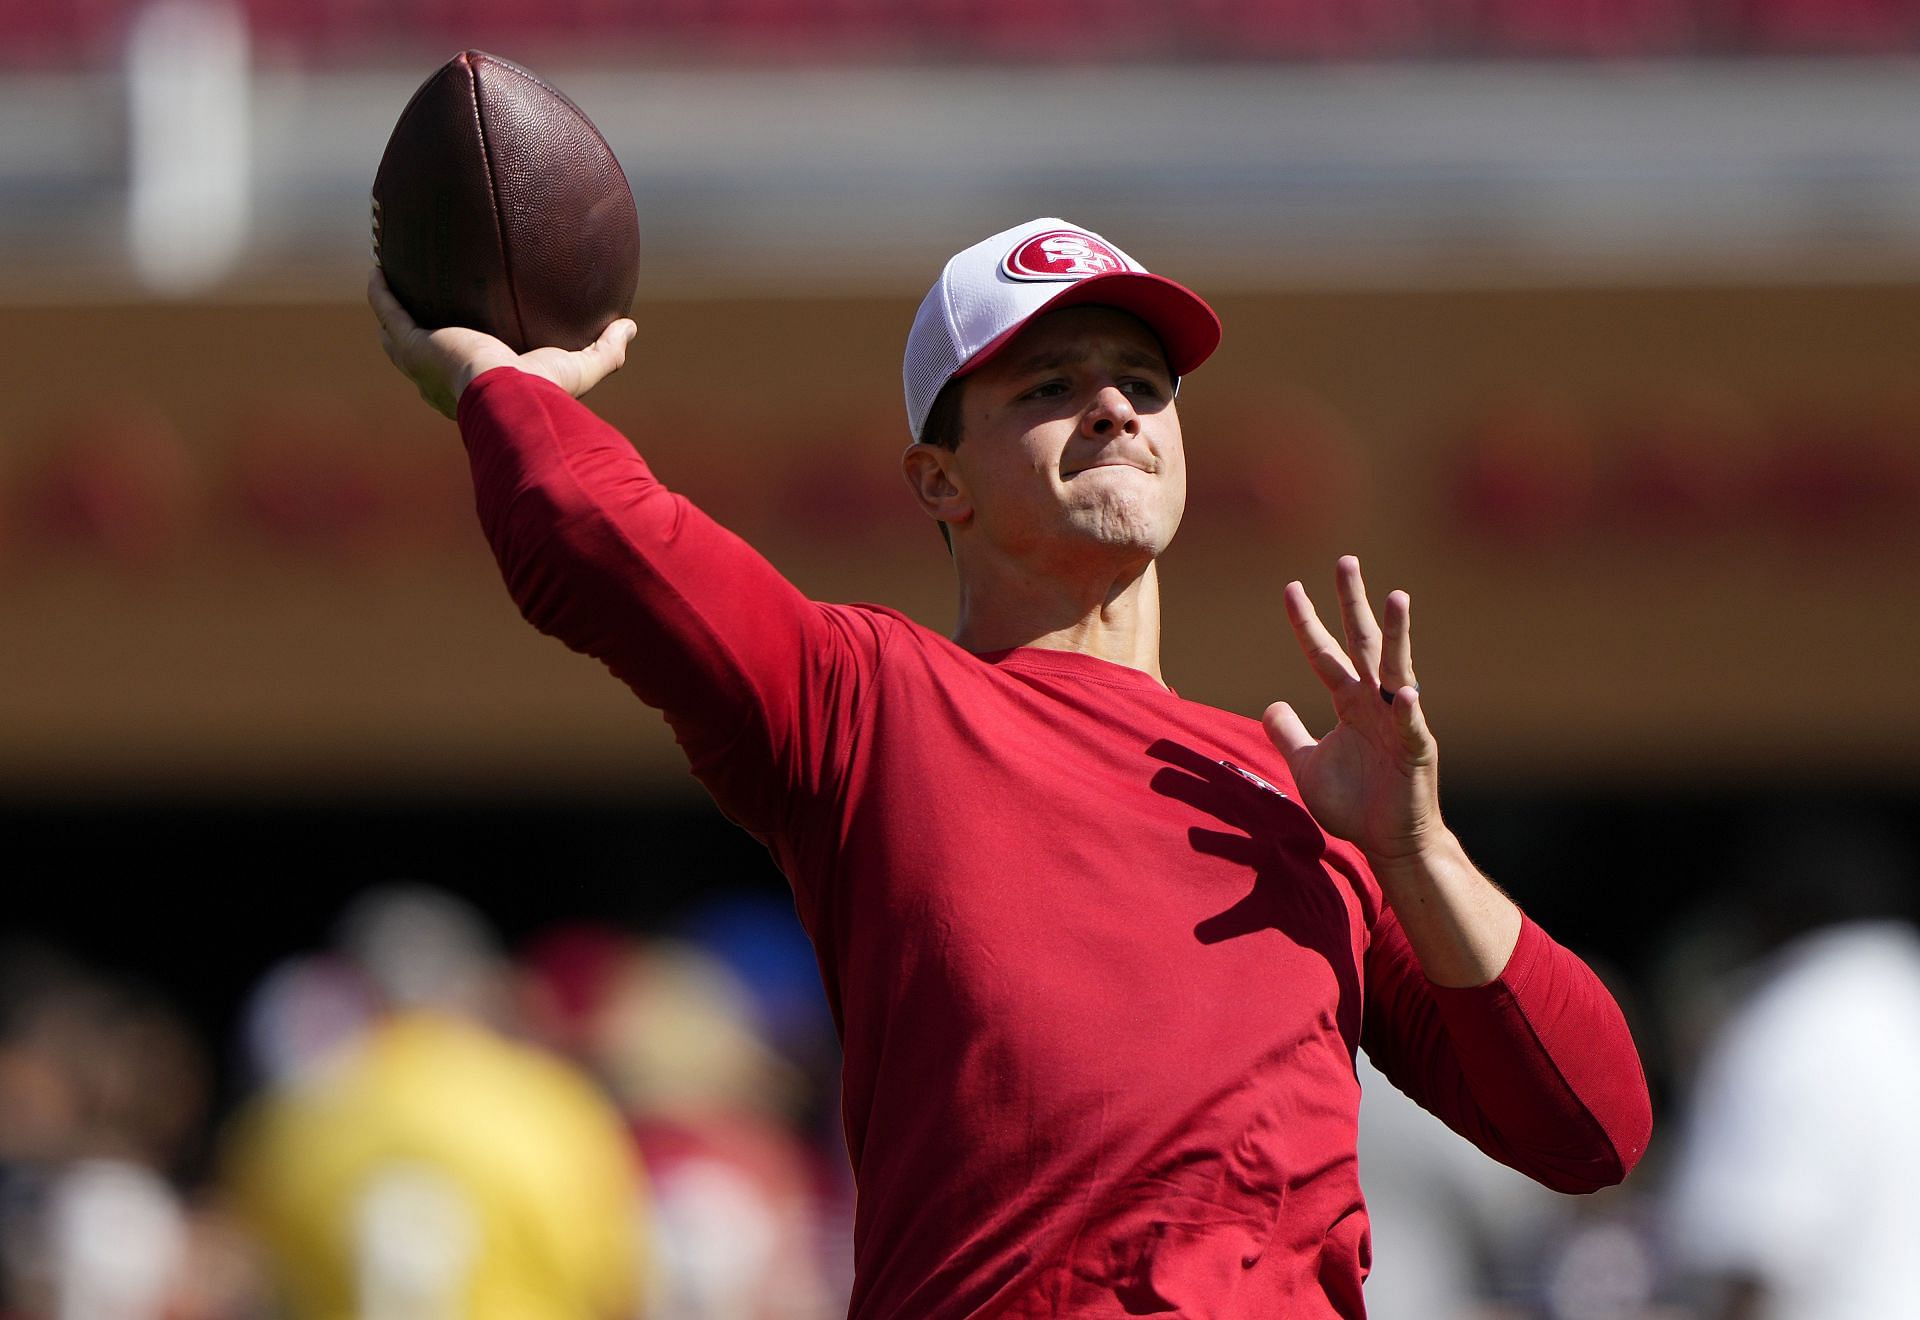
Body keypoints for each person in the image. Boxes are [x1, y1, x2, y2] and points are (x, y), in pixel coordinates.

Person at [369, 216, 1652, 1319]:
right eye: (1048, 386)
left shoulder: (1304, 796)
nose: (1114, 407)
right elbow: (596, 539)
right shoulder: (868, 703)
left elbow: (1591, 1131)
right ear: (940, 480)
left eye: (1144, 386)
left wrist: (1416, 850)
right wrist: (499, 382)